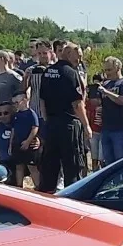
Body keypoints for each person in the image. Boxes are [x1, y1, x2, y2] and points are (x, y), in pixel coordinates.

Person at [36, 43, 88, 188]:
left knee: (49, 167)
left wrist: (47, 121)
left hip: (51, 124)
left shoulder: (47, 72)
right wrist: (86, 125)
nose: (79, 60)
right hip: (69, 124)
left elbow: (42, 100)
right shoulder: (71, 73)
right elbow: (77, 104)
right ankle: (72, 196)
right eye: (78, 57)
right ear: (69, 54)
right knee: (73, 166)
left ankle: (47, 195)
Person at [96, 55, 123, 163]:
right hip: (106, 128)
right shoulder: (105, 84)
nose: (107, 73)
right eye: (105, 70)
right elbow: (99, 103)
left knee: (120, 161)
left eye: (109, 70)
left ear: (118, 68)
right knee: (108, 161)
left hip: (121, 129)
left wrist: (107, 92)